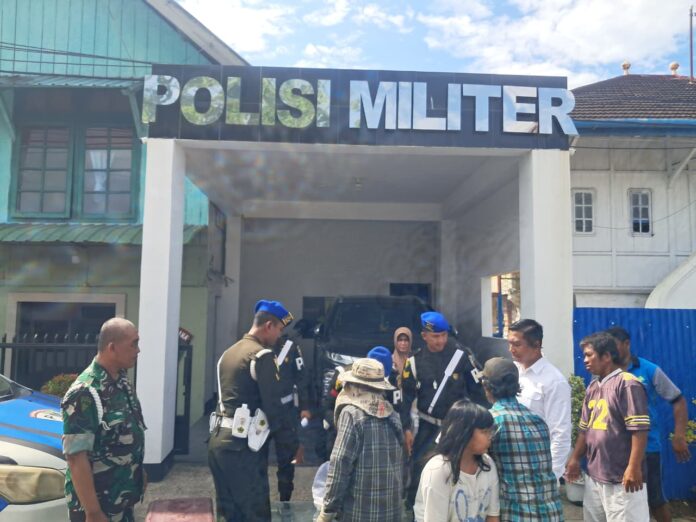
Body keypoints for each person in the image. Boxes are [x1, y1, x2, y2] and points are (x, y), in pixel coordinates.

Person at [208, 300, 299, 521]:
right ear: (268, 326)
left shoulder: (228, 353)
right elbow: (275, 409)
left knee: (229, 514)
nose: (279, 336)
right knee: (255, 514)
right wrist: (291, 447)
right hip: (243, 450)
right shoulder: (262, 356)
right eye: (279, 329)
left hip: (219, 444)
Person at [61, 317, 146, 522]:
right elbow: (76, 457)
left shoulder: (121, 381)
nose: (138, 350)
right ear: (112, 348)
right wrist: (93, 512)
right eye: (133, 344)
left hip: (121, 501)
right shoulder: (85, 392)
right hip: (99, 508)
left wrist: (138, 472)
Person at [401, 311, 486, 507]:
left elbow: (478, 393)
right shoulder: (414, 361)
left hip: (457, 426)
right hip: (428, 427)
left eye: (443, 335)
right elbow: (405, 398)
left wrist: (479, 425)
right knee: (419, 468)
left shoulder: (461, 356)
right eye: (435, 336)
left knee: (459, 469)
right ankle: (415, 509)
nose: (441, 340)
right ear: (424, 336)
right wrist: (406, 428)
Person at [606, 326, 691, 522]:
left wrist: (679, 435)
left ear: (627, 344)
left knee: (655, 500)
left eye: (613, 346)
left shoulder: (649, 370)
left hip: (647, 448)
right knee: (618, 500)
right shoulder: (605, 371)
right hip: (615, 450)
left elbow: (678, 400)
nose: (609, 351)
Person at [566, 332, 651, 522]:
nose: (585, 360)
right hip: (595, 475)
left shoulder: (627, 384)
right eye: (584, 355)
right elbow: (584, 429)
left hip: (621, 478)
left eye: (589, 355)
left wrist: (633, 467)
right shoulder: (593, 387)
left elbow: (639, 430)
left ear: (606, 356)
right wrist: (575, 458)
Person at [317, 358, 403, 522]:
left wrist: (327, 511)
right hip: (392, 512)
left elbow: (340, 464)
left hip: (358, 512)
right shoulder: (392, 415)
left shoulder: (351, 414)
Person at [483, 357, 563, 521]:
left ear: (486, 386)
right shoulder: (537, 420)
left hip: (516, 515)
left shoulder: (491, 421)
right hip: (552, 514)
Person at [414, 400, 500, 522]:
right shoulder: (439, 470)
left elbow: (493, 516)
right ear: (464, 433)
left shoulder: (488, 464)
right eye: (484, 432)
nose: (490, 437)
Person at [508, 319, 572, 480]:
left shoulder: (554, 381)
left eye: (517, 344)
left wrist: (552, 475)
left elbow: (560, 433)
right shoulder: (512, 372)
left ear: (536, 345)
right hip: (511, 464)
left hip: (537, 469)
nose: (511, 349)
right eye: (510, 343)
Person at [321, 345, 400, 456]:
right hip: (341, 436)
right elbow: (328, 407)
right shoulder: (343, 376)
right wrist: (343, 426)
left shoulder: (393, 381)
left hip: (377, 441)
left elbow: (397, 412)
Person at [272, 332, 311, 503]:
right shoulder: (255, 347)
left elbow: (301, 378)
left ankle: (285, 500)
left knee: (286, 459)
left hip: (286, 412)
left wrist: (304, 406)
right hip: (260, 412)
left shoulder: (291, 348)